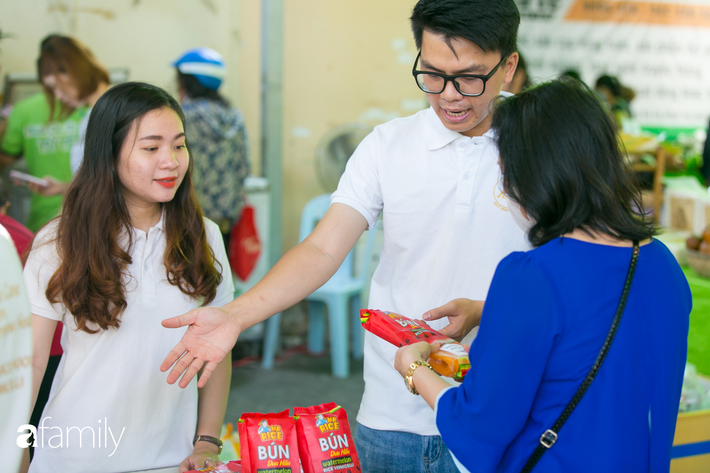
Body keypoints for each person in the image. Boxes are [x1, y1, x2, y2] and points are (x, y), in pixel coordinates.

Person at [160, 1, 528, 471]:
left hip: (507, 411)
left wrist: (488, 311)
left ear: (509, 66)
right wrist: (235, 316)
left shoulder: (542, 142)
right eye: (432, 75)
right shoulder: (387, 145)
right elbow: (323, 246)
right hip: (395, 412)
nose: (449, 96)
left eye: (470, 77)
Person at [393, 79, 691, 472]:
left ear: (534, 174)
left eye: (505, 173)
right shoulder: (664, 265)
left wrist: (413, 368)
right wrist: (493, 314)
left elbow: (479, 427)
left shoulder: (530, 277)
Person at [24, 82, 234, 473]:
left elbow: (217, 350)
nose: (170, 161)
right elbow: (33, 362)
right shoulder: (59, 241)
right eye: (151, 148)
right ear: (109, 153)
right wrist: (15, 449)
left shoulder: (203, 236)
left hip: (172, 461)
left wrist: (207, 441)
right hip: (72, 458)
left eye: (179, 145)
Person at [0, 35, 88, 232]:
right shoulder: (90, 107)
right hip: (69, 219)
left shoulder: (23, 110)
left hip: (60, 219)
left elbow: (5, 157)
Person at [173, 47, 250, 251]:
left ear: (187, 81)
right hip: (225, 218)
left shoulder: (181, 116)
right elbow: (244, 168)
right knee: (219, 274)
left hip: (188, 215)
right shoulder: (234, 117)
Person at [35, 34, 111, 191]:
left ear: (72, 71)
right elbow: (97, 182)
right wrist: (64, 188)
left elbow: (112, 185)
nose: (57, 96)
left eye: (55, 85)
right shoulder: (92, 114)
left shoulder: (112, 112)